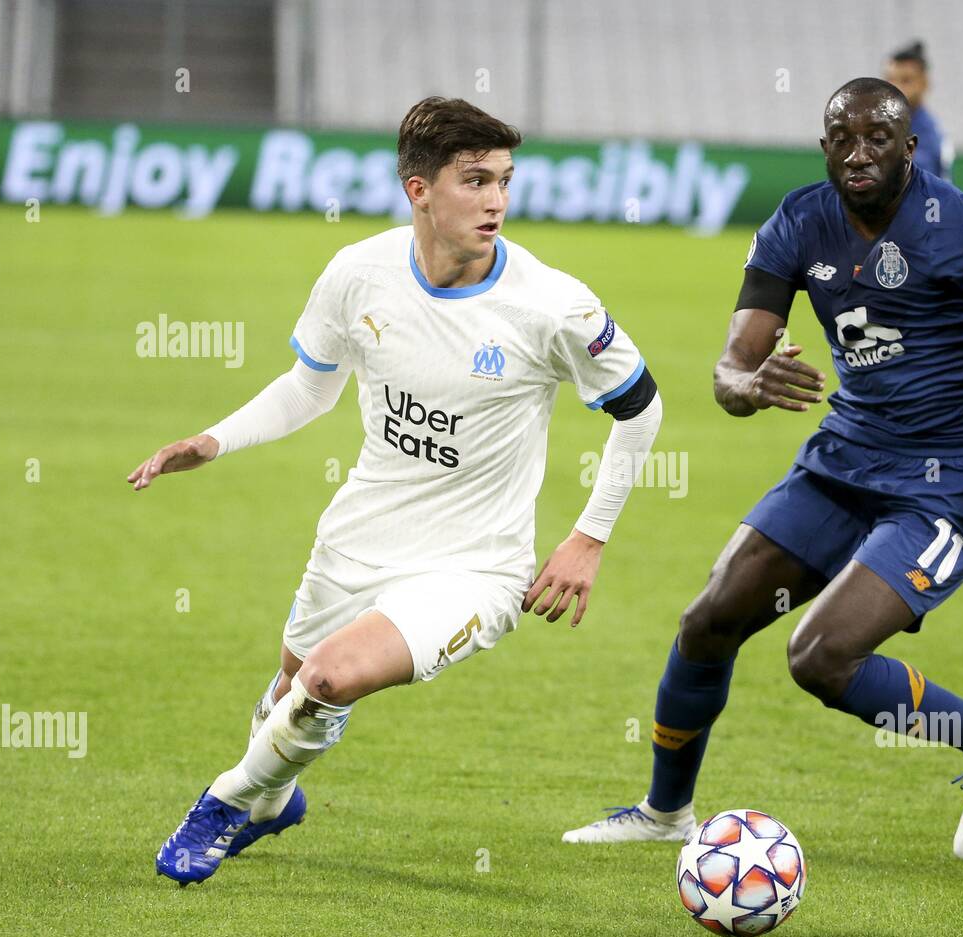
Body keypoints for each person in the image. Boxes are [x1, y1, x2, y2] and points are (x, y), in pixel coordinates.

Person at [564, 78, 963, 870]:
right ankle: (665, 811)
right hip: (846, 456)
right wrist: (747, 387)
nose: (859, 153)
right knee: (708, 620)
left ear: (909, 147)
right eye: (841, 138)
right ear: (824, 146)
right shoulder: (797, 221)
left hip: (952, 480)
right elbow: (732, 366)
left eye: (878, 138)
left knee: (820, 656)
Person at [133, 97, 663, 886]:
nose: (496, 202)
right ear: (419, 190)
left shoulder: (553, 305)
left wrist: (589, 536)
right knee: (287, 695)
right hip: (360, 536)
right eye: (475, 180)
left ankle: (225, 800)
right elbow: (309, 389)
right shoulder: (359, 273)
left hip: (476, 568)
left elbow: (641, 408)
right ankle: (274, 801)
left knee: (326, 681)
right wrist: (213, 441)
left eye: (505, 181)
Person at [883, 41, 953, 180]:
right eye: (890, 80)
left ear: (924, 83)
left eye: (906, 80)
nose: (895, 88)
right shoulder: (886, 124)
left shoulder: (927, 132)